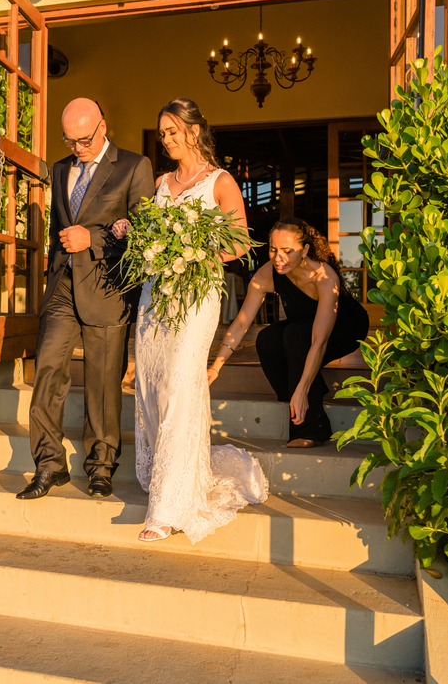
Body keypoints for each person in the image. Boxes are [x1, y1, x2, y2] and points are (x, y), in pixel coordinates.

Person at [128, 98, 269, 543]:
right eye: (162, 134)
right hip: (155, 295)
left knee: (179, 385)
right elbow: (149, 234)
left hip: (196, 296)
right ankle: (168, 474)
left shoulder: (220, 182)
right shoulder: (160, 182)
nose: (166, 140)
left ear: (193, 131)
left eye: (172, 132)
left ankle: (167, 508)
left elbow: (240, 242)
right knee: (151, 383)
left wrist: (198, 252)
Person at [17, 98, 155, 501]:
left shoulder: (134, 167)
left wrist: (92, 238)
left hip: (108, 288)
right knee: (47, 368)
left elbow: (145, 232)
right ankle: (49, 464)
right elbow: (58, 228)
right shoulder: (60, 169)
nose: (77, 148)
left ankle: (101, 465)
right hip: (63, 286)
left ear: (102, 126)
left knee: (104, 382)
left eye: (84, 140)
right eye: (69, 140)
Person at [207, 217, 370, 448]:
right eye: (273, 250)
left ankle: (312, 428)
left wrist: (302, 389)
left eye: (287, 251)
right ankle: (297, 395)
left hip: (347, 327)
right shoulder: (267, 273)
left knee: (296, 336)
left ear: (305, 250)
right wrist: (216, 367)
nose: (278, 258)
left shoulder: (324, 277)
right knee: (267, 339)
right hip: (304, 328)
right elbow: (242, 323)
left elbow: (319, 341)